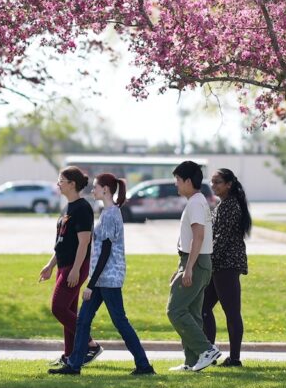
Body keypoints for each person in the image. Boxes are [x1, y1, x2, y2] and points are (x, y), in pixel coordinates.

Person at [49, 173, 155, 376]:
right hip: (101, 279)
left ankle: (144, 365)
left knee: (120, 322)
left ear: (106, 189)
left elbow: (106, 251)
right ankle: (74, 365)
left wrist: (90, 283)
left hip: (108, 280)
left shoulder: (110, 214)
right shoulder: (107, 213)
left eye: (96, 187)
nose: (93, 190)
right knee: (82, 320)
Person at [39, 166, 102, 367]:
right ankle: (69, 355)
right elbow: (61, 243)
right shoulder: (67, 208)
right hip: (63, 265)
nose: (58, 184)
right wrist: (50, 265)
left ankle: (90, 344)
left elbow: (84, 242)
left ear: (72, 184)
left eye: (61, 181)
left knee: (58, 308)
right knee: (69, 310)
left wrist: (75, 270)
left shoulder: (83, 208)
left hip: (75, 266)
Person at [166, 160, 221, 372]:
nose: (176, 185)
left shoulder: (196, 203)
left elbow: (198, 237)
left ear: (189, 181)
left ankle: (206, 349)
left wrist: (188, 268)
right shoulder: (198, 201)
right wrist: (181, 267)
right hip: (196, 261)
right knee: (192, 313)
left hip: (196, 262)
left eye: (178, 180)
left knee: (175, 310)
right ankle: (191, 362)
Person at [201, 168, 251, 367]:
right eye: (212, 182)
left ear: (229, 184)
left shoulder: (230, 206)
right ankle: (209, 353)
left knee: (231, 312)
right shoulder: (223, 205)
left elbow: (220, 240)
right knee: (204, 307)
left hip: (226, 266)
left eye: (218, 182)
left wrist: (205, 262)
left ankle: (235, 358)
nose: (214, 186)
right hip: (219, 265)